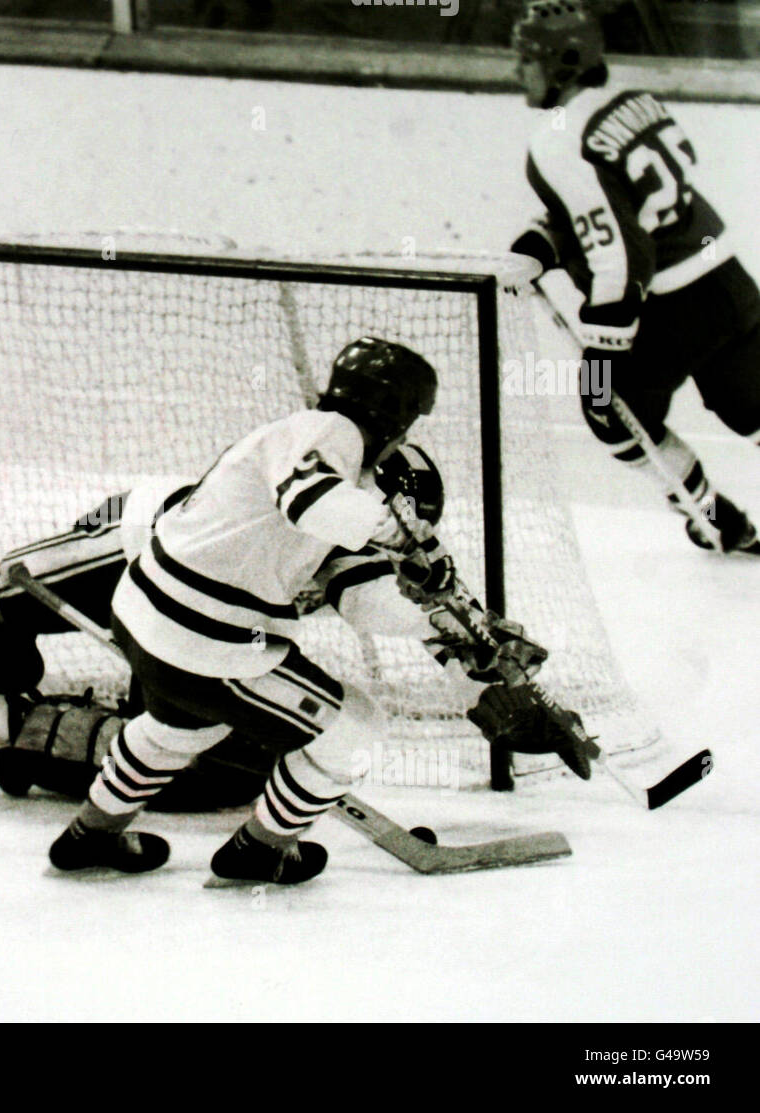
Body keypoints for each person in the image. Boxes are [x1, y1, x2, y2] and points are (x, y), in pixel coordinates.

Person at [45, 338, 553, 885]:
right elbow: (314, 503)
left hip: (147, 618)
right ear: (397, 420)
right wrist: (400, 536)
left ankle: (89, 835)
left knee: (183, 730)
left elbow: (367, 599)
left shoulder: (314, 460)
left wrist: (472, 654)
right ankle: (259, 852)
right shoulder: (327, 436)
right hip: (205, 636)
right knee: (354, 727)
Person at [509, 0, 760, 554]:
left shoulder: (556, 137)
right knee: (752, 407)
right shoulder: (635, 102)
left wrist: (602, 345)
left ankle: (717, 519)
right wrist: (543, 244)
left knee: (607, 410)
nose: (516, 72)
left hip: (670, 311)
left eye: (526, 59)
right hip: (730, 284)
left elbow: (621, 253)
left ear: (562, 64)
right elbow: (622, 203)